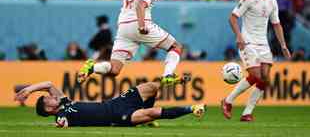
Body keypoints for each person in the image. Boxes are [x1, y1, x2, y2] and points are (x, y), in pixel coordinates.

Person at [78, 0, 183, 85]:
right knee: (175, 46)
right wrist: (141, 25)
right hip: (139, 24)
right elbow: (140, 5)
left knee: (114, 69)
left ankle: (92, 67)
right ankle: (168, 75)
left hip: (123, 28)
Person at [221, 0, 291, 122]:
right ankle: (228, 101)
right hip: (247, 42)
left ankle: (247, 112)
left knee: (265, 79)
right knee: (256, 75)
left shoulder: (273, 2)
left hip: (263, 44)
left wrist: (283, 45)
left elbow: (276, 24)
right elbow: (232, 18)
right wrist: (239, 36)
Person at [14, 81, 205, 127]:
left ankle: (177, 79)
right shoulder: (62, 115)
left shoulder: (65, 102)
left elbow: (48, 84)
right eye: (49, 99)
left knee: (151, 87)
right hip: (116, 117)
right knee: (153, 113)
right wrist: (59, 124)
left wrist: (29, 90)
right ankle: (192, 108)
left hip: (116, 103)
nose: (52, 96)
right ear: (49, 109)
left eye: (50, 97)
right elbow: (61, 124)